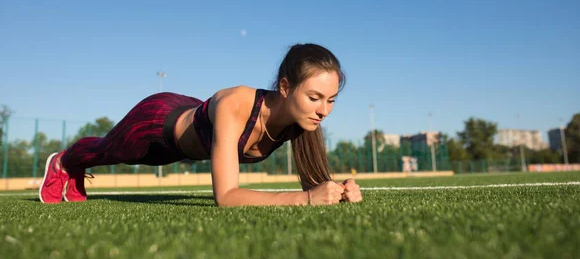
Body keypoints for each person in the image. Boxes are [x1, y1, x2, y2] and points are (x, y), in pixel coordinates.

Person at [39, 43, 363, 206]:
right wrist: (304, 199)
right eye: (315, 97)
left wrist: (339, 190)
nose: (324, 110)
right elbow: (226, 196)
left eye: (331, 100)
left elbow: (317, 183)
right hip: (156, 123)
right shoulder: (237, 105)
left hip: (182, 143)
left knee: (112, 153)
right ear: (284, 87)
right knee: (106, 151)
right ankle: (64, 161)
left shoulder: (302, 120)